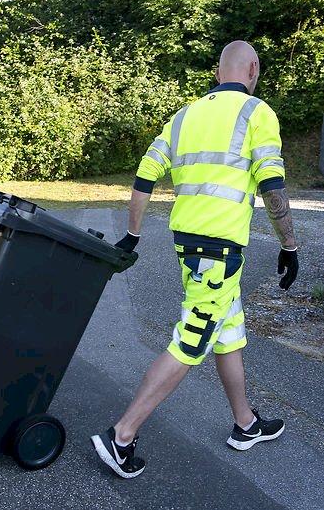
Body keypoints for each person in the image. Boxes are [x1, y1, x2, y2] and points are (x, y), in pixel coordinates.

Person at [90, 40, 299, 479]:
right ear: (253, 68)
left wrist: (132, 233)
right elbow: (272, 185)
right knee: (193, 338)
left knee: (228, 327)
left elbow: (146, 172)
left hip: (190, 244)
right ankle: (122, 435)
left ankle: (245, 424)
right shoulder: (257, 113)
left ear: (217, 70)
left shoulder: (185, 115)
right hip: (220, 249)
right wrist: (289, 245)